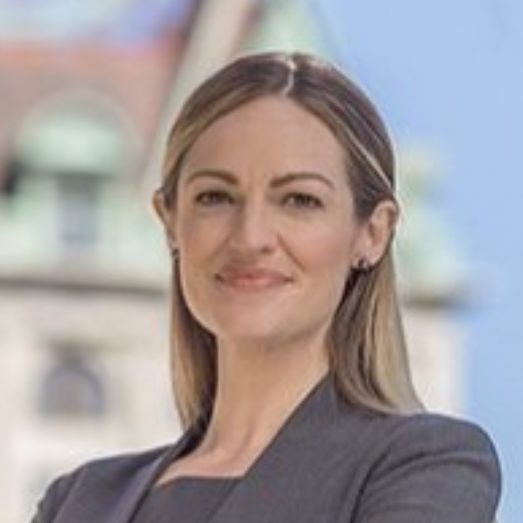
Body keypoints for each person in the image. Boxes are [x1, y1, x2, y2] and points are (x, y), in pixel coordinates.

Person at [32, 51, 501, 523]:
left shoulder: (427, 468)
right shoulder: (78, 501)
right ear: (171, 221)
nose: (250, 237)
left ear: (373, 233)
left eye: (299, 200)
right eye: (215, 197)